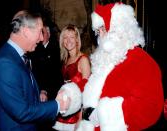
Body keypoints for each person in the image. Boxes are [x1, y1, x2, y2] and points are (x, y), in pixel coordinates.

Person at [76, 2, 164, 131]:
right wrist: (72, 94)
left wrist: (103, 114)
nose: (99, 36)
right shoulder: (106, 58)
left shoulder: (141, 61)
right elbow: (96, 87)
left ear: (119, 29)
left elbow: (150, 106)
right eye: (98, 31)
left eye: (103, 29)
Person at [0, 10, 70, 131]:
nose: (42, 38)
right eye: (40, 32)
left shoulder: (17, 56)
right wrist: (57, 105)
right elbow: (21, 112)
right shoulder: (5, 63)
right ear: (26, 31)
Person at [53, 24, 91, 131]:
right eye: (65, 37)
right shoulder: (66, 60)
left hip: (77, 113)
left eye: (72, 37)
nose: (68, 40)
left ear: (77, 40)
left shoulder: (83, 59)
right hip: (66, 109)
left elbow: (87, 90)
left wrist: (81, 117)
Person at [30, 23, 63, 131]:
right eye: (38, 32)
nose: (39, 35)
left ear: (48, 34)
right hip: (36, 94)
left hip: (51, 94)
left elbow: (55, 74)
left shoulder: (56, 50)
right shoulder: (34, 49)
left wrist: (45, 90)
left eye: (42, 32)